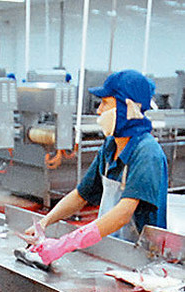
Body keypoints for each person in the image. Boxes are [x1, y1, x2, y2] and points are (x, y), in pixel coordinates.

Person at [24, 69, 168, 265]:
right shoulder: (110, 146)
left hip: (141, 260)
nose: (99, 110)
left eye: (105, 103)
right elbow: (81, 195)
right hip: (111, 251)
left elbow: (123, 214)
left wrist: (66, 243)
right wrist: (44, 223)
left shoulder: (147, 153)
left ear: (128, 107)